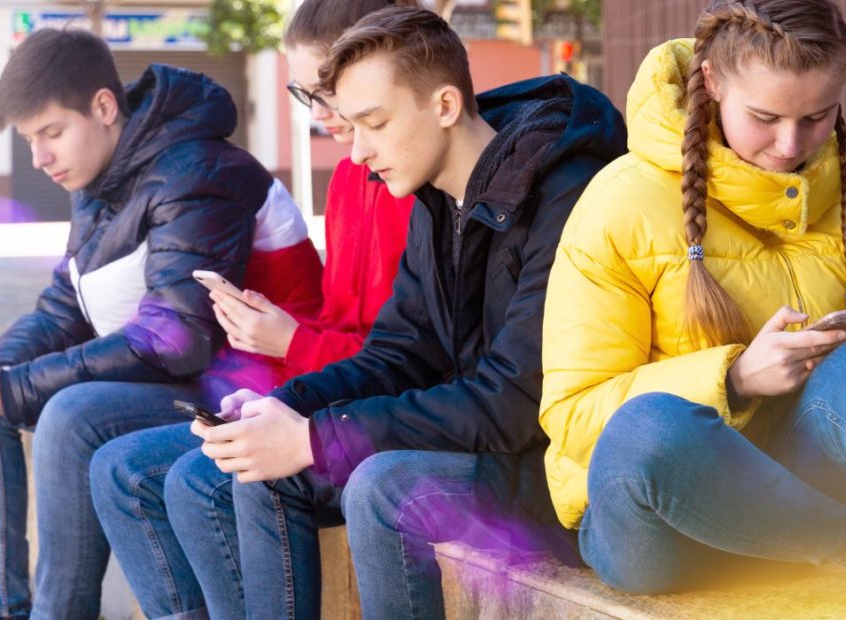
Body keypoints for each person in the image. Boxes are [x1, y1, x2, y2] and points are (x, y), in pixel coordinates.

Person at [186, 6, 627, 618]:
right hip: (492, 449)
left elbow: (513, 403)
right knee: (257, 469)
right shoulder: (438, 196)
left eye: (374, 123)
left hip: (563, 471)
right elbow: (399, 354)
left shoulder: (568, 195)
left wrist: (316, 438)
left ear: (444, 106)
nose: (359, 152)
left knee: (382, 487)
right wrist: (289, 407)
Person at [540, 0, 846, 595]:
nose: (789, 144)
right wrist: (736, 379)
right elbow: (573, 413)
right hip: (658, 525)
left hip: (797, 487)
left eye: (816, 116)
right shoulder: (619, 204)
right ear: (712, 82)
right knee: (646, 428)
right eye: (765, 116)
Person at [88, 2, 418, 618]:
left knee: (188, 479)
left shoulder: (410, 182)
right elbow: (347, 326)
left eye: (328, 92)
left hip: (378, 416)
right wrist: (278, 335)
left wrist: (291, 346)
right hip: (328, 390)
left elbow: (406, 358)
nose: (320, 114)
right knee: (120, 466)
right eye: (304, 93)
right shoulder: (351, 177)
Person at [0, 28, 274, 620]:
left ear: (104, 107)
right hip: (164, 375)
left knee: (70, 413)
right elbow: (65, 306)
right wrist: (1, 374)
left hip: (236, 383)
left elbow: (178, 340)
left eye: (52, 133)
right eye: (30, 140)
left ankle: (61, 611)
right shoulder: (99, 180)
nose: (39, 158)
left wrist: (19, 387)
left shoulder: (195, 170)